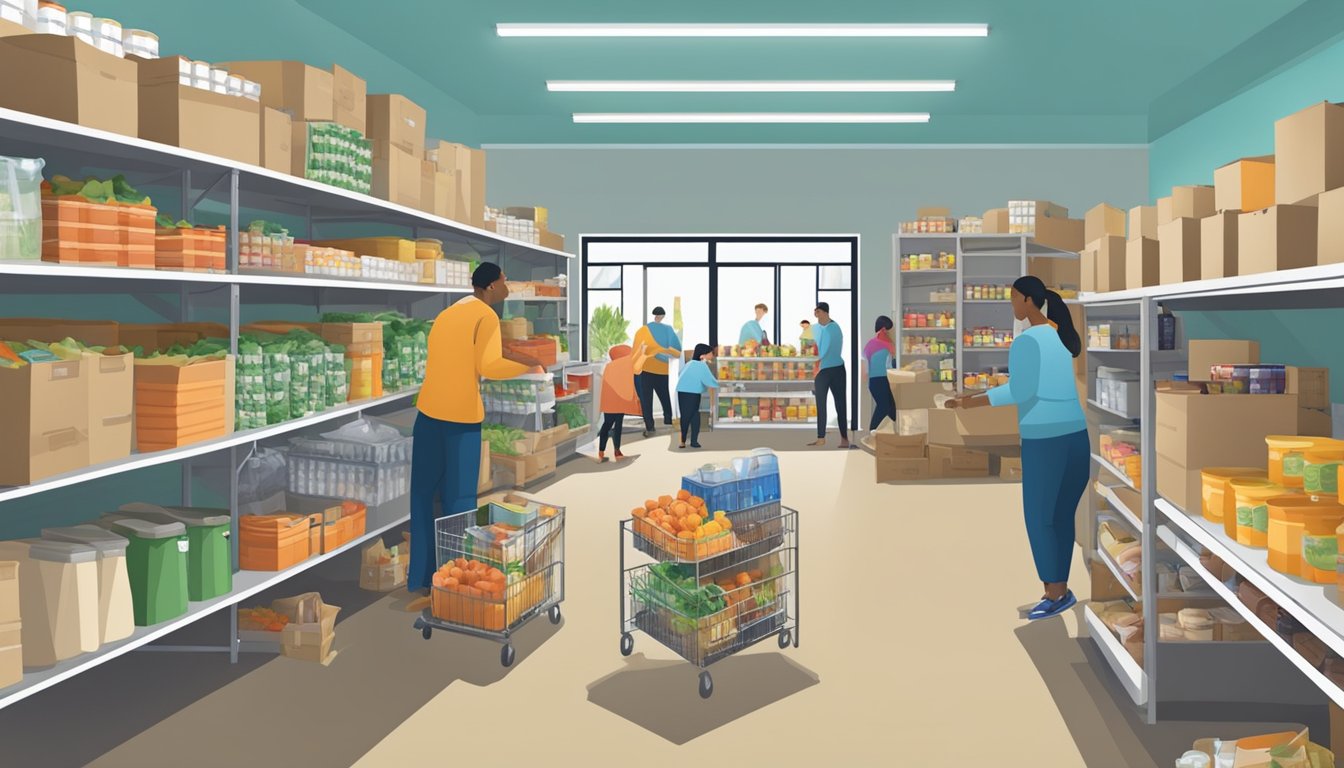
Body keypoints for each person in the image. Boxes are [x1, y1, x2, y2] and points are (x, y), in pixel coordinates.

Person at [946, 275, 1088, 621]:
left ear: (1027, 301)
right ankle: (1060, 590)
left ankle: (1054, 594)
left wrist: (970, 402)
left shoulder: (1027, 342)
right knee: (1061, 517)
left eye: (1014, 299)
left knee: (1039, 520)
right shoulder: (1060, 338)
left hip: (1045, 442)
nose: (1012, 305)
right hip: (1076, 439)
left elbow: (1019, 392)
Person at [409, 263, 540, 595]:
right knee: (459, 500)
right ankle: (454, 582)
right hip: (460, 418)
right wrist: (531, 367)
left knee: (423, 497)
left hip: (427, 414)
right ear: (492, 286)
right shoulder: (486, 316)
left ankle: (423, 579)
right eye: (505, 280)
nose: (508, 286)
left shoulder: (449, 313)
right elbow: (489, 366)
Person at [808, 302, 852, 449]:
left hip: (836, 370)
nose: (817, 315)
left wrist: (816, 362)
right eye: (815, 312)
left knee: (840, 403)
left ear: (826, 312)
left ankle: (844, 439)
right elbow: (807, 345)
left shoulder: (834, 328)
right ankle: (821, 438)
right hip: (821, 372)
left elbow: (825, 350)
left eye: (819, 312)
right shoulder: (814, 329)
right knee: (820, 404)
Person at [631, 307, 681, 436]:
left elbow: (635, 353)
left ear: (654, 315)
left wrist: (653, 352)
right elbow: (677, 351)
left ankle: (650, 427)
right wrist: (661, 351)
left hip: (646, 370)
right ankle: (669, 420)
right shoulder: (669, 330)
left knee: (646, 401)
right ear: (663, 316)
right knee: (665, 396)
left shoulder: (642, 331)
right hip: (663, 371)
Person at [596, 343, 644, 462]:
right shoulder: (624, 366)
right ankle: (613, 451)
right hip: (618, 400)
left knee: (609, 424)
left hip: (612, 401)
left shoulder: (610, 367)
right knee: (615, 425)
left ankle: (604, 452)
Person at [676, 344, 719, 449]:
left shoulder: (690, 363)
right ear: (702, 355)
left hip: (684, 391)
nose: (712, 355)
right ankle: (686, 441)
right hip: (690, 393)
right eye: (710, 353)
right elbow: (710, 381)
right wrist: (723, 384)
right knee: (689, 417)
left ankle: (690, 441)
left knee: (692, 416)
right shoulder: (701, 365)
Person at [863, 316, 896, 431]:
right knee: (884, 407)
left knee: (892, 409)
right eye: (888, 329)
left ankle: (897, 433)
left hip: (884, 380)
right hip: (877, 381)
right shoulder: (873, 344)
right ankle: (872, 432)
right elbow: (866, 365)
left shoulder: (886, 343)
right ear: (882, 329)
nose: (888, 332)